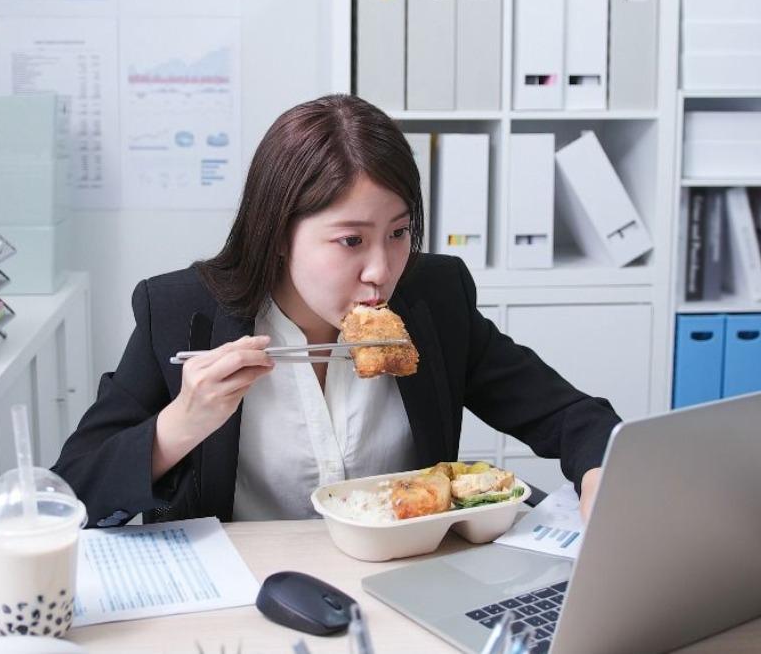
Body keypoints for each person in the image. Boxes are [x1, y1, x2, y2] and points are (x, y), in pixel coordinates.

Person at [51, 94, 620, 528]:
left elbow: (573, 418)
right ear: (276, 233)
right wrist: (180, 425)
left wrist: (601, 477)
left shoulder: (434, 298)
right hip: (248, 594)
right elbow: (70, 489)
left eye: (399, 233)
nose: (382, 270)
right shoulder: (181, 311)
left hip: (405, 582)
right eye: (351, 240)